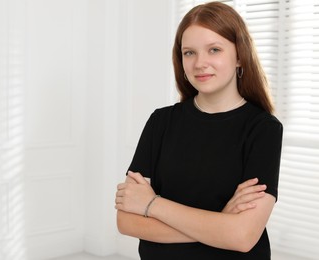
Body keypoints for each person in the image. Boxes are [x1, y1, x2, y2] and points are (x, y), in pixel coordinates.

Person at [115, 2, 283, 259]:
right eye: (189, 53)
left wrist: (152, 205)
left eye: (214, 49)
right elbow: (127, 221)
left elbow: (242, 237)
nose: (199, 63)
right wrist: (220, 223)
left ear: (239, 56)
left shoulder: (263, 130)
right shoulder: (161, 121)